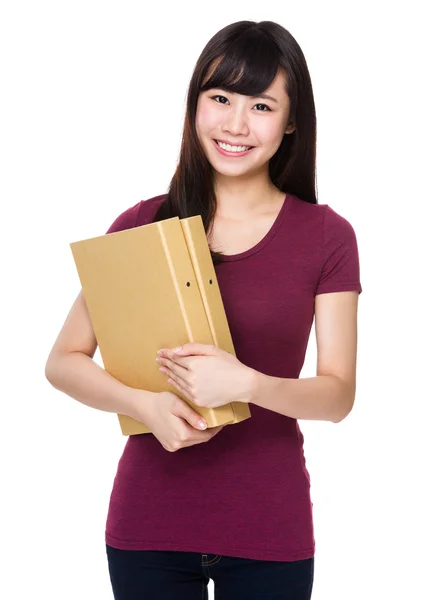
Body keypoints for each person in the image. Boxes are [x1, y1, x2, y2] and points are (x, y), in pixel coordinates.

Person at [45, 19, 362, 600]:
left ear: (291, 122)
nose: (236, 125)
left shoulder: (325, 235)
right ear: (195, 106)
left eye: (261, 106)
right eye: (220, 98)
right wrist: (142, 403)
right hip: (148, 526)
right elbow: (63, 360)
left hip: (269, 526)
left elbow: (338, 395)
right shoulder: (144, 224)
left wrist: (247, 383)